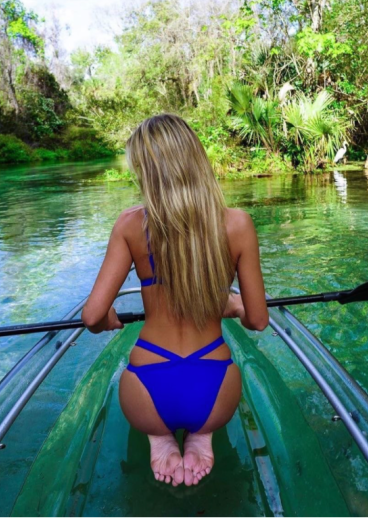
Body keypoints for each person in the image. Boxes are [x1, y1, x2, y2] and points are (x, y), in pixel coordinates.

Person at [81, 113, 269, 488]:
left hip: (147, 391)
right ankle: (202, 436)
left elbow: (92, 316)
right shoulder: (238, 224)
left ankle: (160, 438)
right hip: (215, 389)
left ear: (147, 172)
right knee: (206, 419)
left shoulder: (131, 224)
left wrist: (110, 320)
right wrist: (231, 305)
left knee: (155, 421)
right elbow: (258, 320)